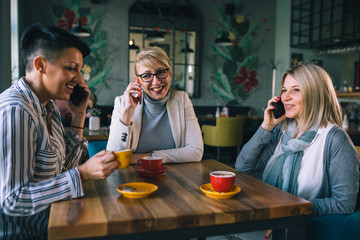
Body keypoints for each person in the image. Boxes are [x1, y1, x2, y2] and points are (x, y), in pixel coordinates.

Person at [0, 23, 118, 239]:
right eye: (72, 68)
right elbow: (12, 201)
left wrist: (78, 115)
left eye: (80, 70)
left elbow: (62, 171)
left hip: (54, 223)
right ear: (41, 65)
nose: (80, 79)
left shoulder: (49, 107)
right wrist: (83, 174)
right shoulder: (15, 111)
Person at [235, 63, 359, 239]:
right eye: (284, 90)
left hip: (296, 224)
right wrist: (266, 127)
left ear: (314, 93)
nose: (285, 97)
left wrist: (289, 211)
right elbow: (243, 166)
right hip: (267, 213)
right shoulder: (283, 132)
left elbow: (344, 203)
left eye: (296, 90)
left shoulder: (335, 139)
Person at [107, 46, 203, 163]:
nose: (156, 82)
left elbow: (196, 151)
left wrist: (152, 156)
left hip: (173, 176)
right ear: (138, 80)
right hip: (134, 176)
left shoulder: (182, 100)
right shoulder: (122, 103)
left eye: (161, 72)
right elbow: (114, 155)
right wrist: (128, 111)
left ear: (170, 74)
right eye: (146, 75)